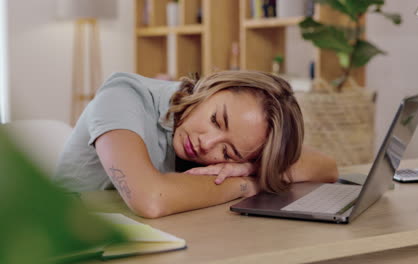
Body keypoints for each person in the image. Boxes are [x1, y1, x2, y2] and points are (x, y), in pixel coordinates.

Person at [54, 70, 338, 218]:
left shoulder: (217, 136)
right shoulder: (122, 97)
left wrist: (250, 165)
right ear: (216, 86)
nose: (206, 144)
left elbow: (327, 167)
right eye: (217, 120)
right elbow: (152, 200)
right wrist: (250, 183)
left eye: (227, 152)